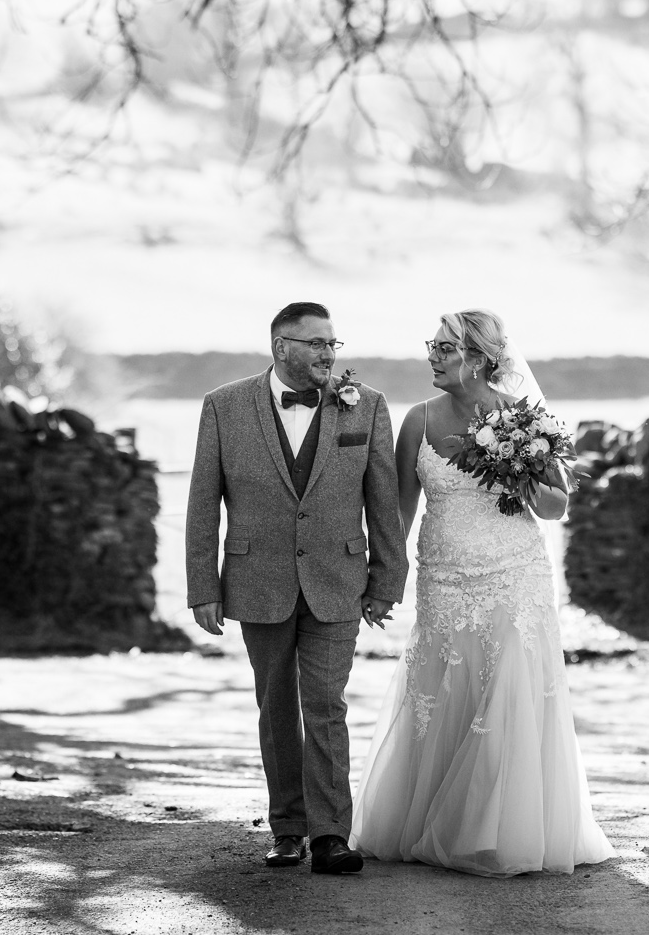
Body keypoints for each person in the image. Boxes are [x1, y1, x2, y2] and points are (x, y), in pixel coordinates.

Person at [348, 309, 614, 876]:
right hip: (443, 576)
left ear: (478, 358)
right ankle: (435, 821)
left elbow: (554, 507)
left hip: (515, 574)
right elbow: (398, 508)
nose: (432, 357)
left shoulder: (522, 417)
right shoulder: (417, 420)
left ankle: (499, 830)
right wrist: (382, 579)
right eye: (432, 346)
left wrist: (518, 461)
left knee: (509, 690)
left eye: (444, 348)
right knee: (441, 693)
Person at [185, 301, 409, 875]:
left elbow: (383, 500)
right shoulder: (224, 406)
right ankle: (287, 829)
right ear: (280, 346)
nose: (328, 354)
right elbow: (203, 503)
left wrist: (387, 579)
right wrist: (202, 586)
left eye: (333, 343)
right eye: (315, 343)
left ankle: (332, 833)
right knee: (276, 704)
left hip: (339, 579)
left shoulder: (368, 406)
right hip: (257, 579)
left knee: (326, 704)